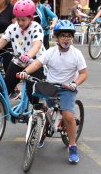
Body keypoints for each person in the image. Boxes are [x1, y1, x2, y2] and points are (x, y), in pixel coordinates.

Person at [18, 20, 88, 163]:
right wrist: (24, 72)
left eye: (69, 35)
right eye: (63, 35)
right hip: (50, 87)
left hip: (67, 89)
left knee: (68, 116)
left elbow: (84, 73)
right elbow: (37, 63)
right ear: (56, 37)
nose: (66, 39)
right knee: (46, 112)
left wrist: (74, 84)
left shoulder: (77, 54)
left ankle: (73, 145)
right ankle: (41, 132)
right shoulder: (51, 52)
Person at [0, 0, 43, 135]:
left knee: (33, 96)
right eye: (18, 19)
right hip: (18, 62)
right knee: (4, 92)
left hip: (35, 63)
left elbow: (37, 45)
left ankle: (38, 122)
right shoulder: (12, 28)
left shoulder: (36, 27)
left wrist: (29, 55)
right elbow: (1, 43)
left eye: (23, 20)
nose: (20, 23)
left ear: (31, 18)